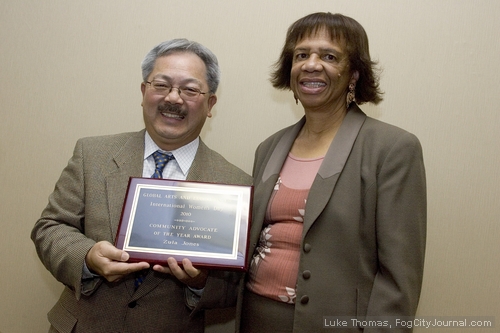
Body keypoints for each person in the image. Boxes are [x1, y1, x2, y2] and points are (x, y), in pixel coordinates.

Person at [31, 38, 252, 333]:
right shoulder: (92, 155)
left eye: (189, 89)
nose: (173, 98)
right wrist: (86, 257)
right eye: (161, 85)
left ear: (210, 103)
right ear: (143, 92)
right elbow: (49, 228)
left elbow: (239, 285)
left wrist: (201, 283)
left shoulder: (234, 185)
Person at [238, 12, 426, 332]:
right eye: (301, 55)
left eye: (329, 56)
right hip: (254, 319)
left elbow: (399, 280)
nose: (311, 64)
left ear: (353, 74)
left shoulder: (392, 149)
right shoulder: (268, 148)